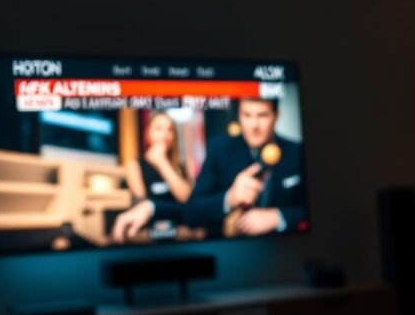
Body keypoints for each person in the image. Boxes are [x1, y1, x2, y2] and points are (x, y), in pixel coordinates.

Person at [112, 97, 306, 242]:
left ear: (276, 116)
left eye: (262, 115)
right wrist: (230, 198)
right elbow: (193, 209)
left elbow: (314, 207)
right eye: (247, 115)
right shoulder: (219, 149)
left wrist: (279, 217)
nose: (254, 125)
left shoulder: (297, 151)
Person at [124, 111, 192, 205]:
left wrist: (162, 162)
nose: (165, 134)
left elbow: (187, 198)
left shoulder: (181, 164)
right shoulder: (135, 165)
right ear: (148, 133)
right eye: (159, 128)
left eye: (170, 129)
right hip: (151, 214)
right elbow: (141, 204)